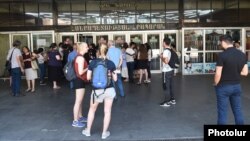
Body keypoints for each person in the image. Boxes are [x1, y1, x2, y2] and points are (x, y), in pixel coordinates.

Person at [82, 44, 117, 139]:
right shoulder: (111, 63)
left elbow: (88, 78)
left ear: (98, 52)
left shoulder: (93, 62)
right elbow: (115, 79)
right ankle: (104, 133)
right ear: (107, 52)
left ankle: (88, 131)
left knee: (92, 110)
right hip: (109, 89)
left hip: (96, 91)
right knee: (107, 111)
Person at [214, 35, 248, 125]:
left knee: (222, 112)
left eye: (221, 42)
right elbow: (245, 72)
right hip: (237, 86)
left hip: (223, 87)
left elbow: (218, 74)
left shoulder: (222, 55)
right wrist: (235, 71)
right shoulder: (242, 55)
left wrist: (215, 84)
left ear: (223, 42)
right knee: (238, 110)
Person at [72, 42, 89, 127]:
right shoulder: (80, 58)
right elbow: (80, 72)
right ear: (82, 48)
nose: (88, 48)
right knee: (78, 101)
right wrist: (88, 68)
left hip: (80, 80)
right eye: (86, 47)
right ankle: (75, 120)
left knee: (80, 100)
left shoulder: (80, 57)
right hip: (79, 80)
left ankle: (80, 116)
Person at [160, 38, 176, 107]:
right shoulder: (170, 50)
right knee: (170, 86)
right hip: (171, 70)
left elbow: (166, 61)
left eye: (162, 42)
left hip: (166, 71)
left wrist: (161, 57)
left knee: (166, 86)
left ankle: (166, 102)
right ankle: (172, 99)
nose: (162, 43)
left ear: (164, 43)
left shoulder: (166, 51)